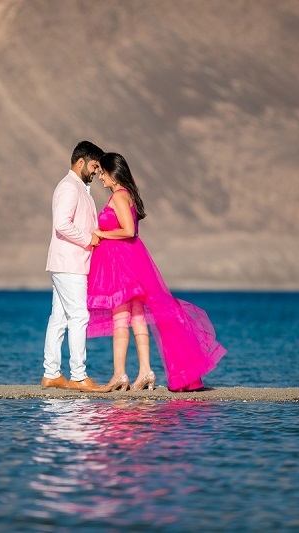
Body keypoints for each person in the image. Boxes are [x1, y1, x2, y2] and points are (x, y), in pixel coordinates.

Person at [87, 153, 226, 392]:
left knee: (121, 318)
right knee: (138, 318)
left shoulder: (119, 197)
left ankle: (120, 375)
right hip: (131, 261)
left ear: (113, 173)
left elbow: (129, 231)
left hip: (123, 264)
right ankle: (145, 372)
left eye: (102, 173)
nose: (100, 178)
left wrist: (101, 234)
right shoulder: (126, 195)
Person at [42, 141, 105, 392]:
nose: (96, 172)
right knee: (79, 316)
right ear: (81, 162)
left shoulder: (79, 187)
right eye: (94, 166)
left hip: (67, 261)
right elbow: (62, 224)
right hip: (70, 263)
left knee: (59, 318)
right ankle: (78, 375)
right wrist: (89, 238)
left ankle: (51, 373)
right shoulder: (69, 187)